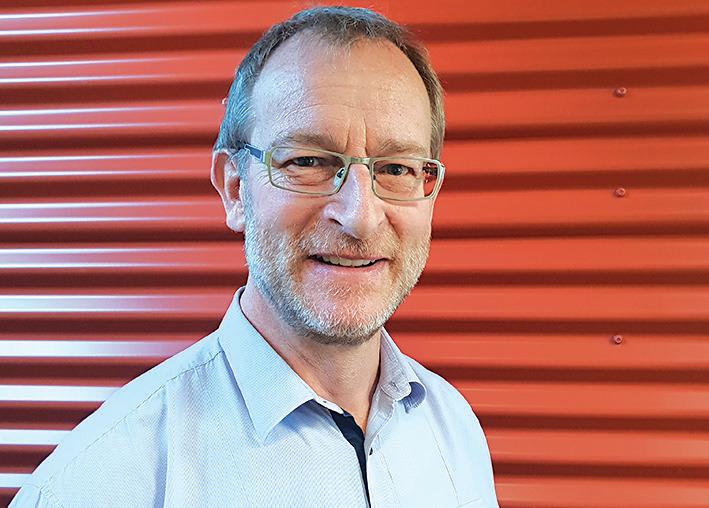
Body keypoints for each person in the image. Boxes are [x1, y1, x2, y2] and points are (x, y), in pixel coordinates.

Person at [12, 6, 498, 508]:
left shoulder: (453, 429)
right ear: (235, 189)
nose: (361, 216)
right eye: (307, 161)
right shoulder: (102, 481)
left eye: (396, 168)